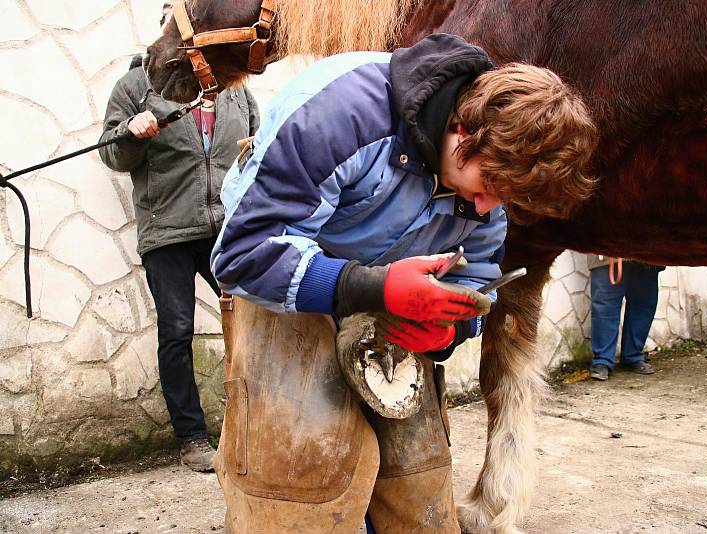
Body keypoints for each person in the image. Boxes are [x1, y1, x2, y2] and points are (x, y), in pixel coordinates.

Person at [212, 34, 597, 532]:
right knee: (302, 476)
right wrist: (377, 288)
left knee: (417, 482)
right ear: (463, 131)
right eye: (489, 189)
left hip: (394, 296)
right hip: (286, 289)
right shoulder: (343, 111)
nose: (486, 210)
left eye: (503, 200)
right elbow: (243, 255)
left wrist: (449, 331)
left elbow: (477, 275)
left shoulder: (489, 180)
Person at [97, 1, 260, 471]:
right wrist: (131, 132)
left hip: (225, 230)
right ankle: (191, 437)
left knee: (250, 323)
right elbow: (113, 153)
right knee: (176, 331)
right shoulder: (136, 85)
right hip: (167, 231)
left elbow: (256, 149)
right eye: (175, 12)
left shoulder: (234, 87)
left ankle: (246, 424)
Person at [587, 255, 665, 381]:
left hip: (647, 250)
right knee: (605, 306)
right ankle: (602, 360)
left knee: (644, 303)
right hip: (608, 251)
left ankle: (633, 356)